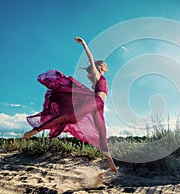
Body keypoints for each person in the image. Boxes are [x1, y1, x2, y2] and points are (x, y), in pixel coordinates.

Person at [24, 36, 117, 173]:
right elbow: (91, 58)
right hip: (94, 101)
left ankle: (109, 160)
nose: (106, 65)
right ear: (99, 67)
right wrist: (84, 45)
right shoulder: (98, 74)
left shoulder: (101, 77)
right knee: (70, 116)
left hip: (99, 106)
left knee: (102, 132)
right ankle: (37, 129)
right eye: (104, 64)